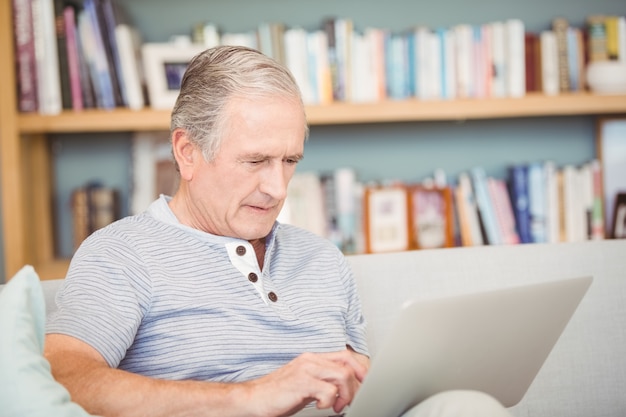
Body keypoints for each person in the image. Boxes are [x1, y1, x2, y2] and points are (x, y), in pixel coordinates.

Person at [44, 45, 513, 417]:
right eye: (255, 161)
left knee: (469, 407)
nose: (276, 187)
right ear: (187, 153)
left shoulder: (323, 258)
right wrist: (251, 398)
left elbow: (362, 395)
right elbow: (63, 379)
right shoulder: (123, 252)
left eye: (290, 161)